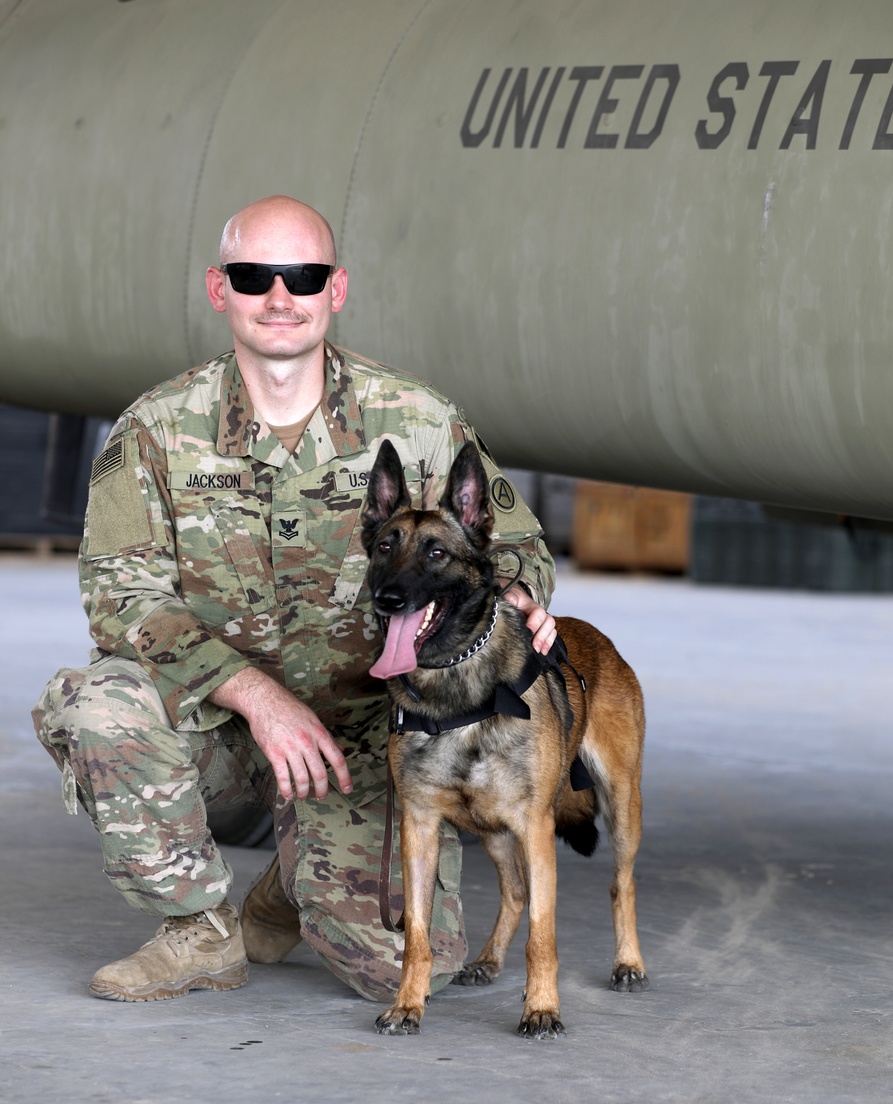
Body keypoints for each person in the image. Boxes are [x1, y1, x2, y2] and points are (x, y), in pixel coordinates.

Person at [32, 195, 557, 1003]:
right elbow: (119, 596)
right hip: (221, 725)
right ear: (220, 289)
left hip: (365, 740)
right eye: (255, 276)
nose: (281, 296)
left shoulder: (417, 420)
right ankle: (197, 931)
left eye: (303, 275)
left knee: (410, 971)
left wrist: (524, 596)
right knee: (97, 705)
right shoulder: (155, 431)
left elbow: (516, 545)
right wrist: (259, 697)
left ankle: (290, 882)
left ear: (335, 290)